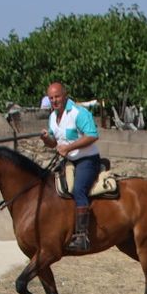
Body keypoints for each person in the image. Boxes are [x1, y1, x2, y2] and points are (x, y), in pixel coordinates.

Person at [42, 80, 102, 252]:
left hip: (87, 159)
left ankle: (82, 236)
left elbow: (92, 135)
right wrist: (47, 138)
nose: (54, 100)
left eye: (57, 97)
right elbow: (54, 143)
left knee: (78, 190)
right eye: (51, 98)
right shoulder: (53, 117)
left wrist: (68, 147)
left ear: (65, 95)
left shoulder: (78, 113)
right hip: (68, 160)